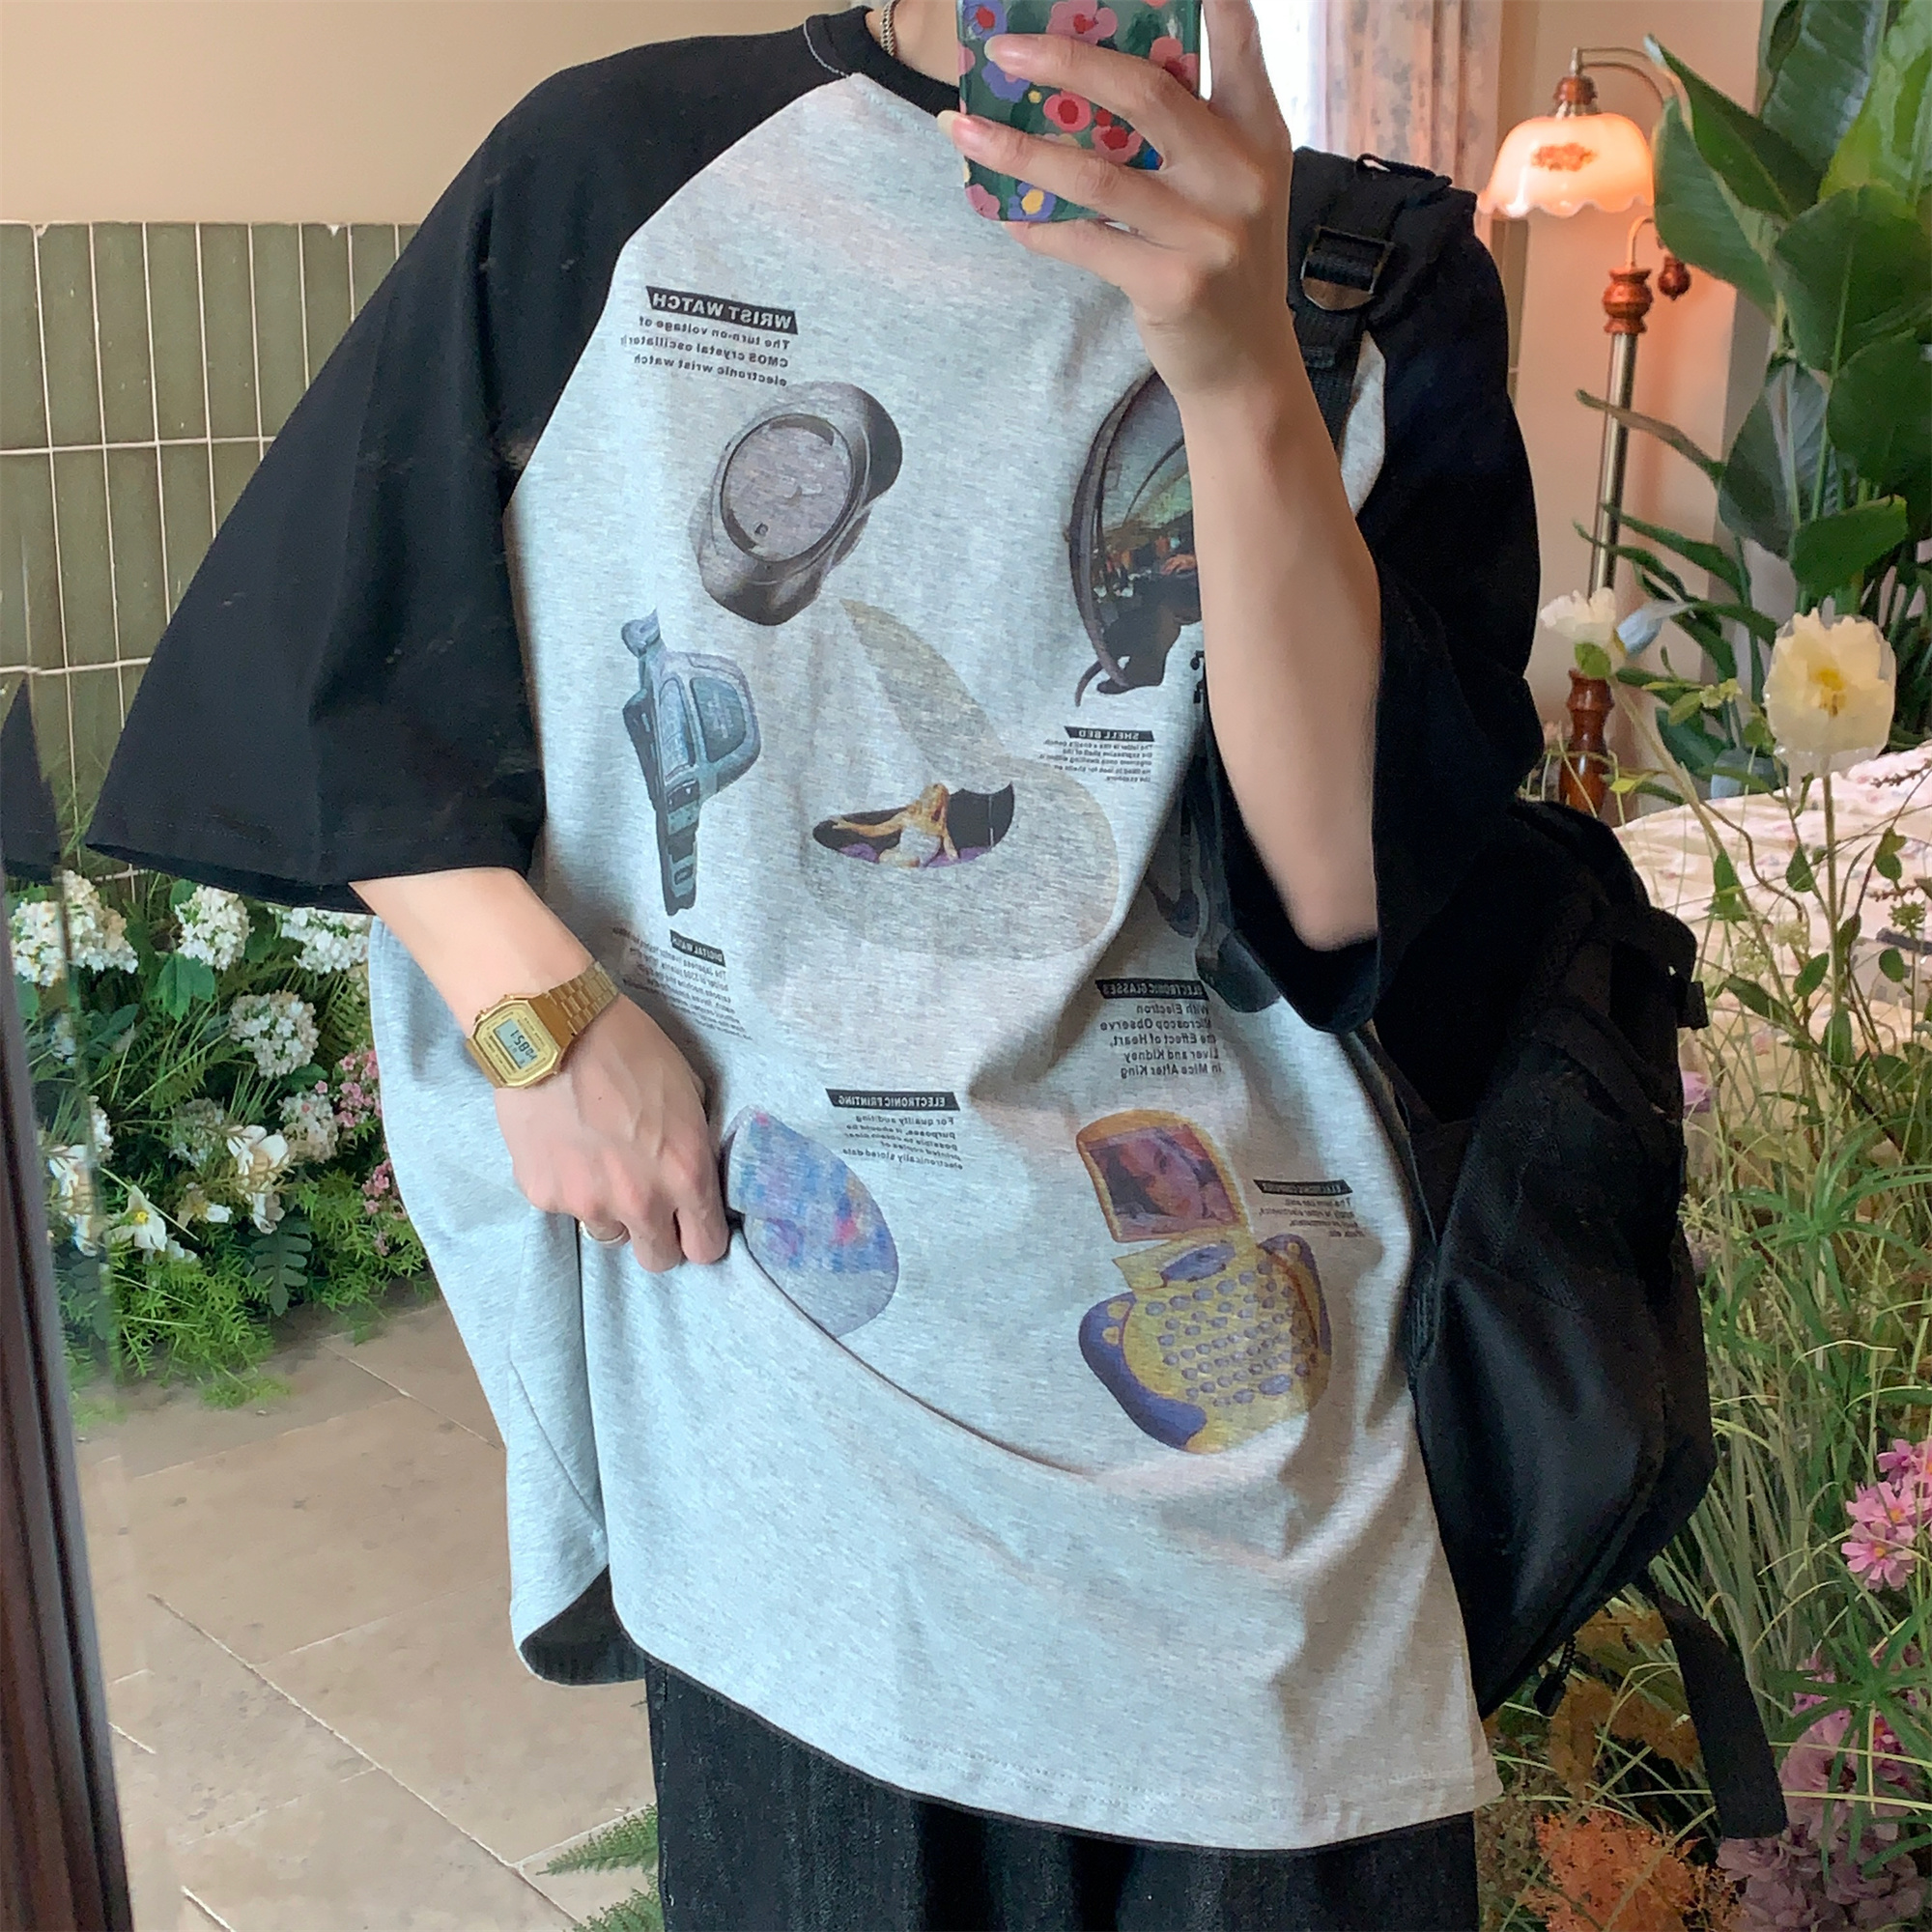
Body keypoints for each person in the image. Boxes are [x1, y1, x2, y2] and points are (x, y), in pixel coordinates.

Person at [88, 2, 1545, 1925]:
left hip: (1247, 1458)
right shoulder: (610, 170)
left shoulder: (1372, 267)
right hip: (786, 1418)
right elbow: (321, 662)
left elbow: (1343, 901)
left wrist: (1237, 367)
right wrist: (540, 1023)